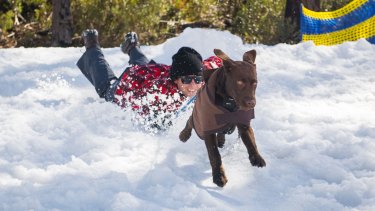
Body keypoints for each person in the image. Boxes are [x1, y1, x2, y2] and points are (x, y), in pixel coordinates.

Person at [76, 29, 222, 131]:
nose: (193, 85)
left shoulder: (204, 73)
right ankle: (92, 45)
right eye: (187, 80)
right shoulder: (160, 94)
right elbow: (149, 122)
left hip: (153, 71)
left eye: (197, 79)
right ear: (176, 79)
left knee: (146, 66)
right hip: (130, 84)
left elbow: (216, 61)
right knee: (107, 87)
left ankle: (132, 45)